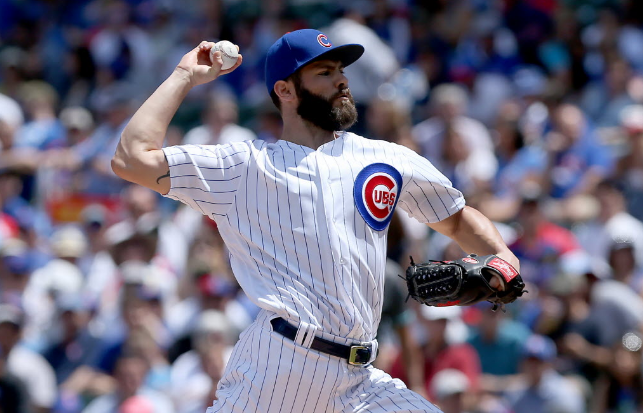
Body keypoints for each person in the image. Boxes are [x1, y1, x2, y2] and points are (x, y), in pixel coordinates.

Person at [111, 28, 519, 413]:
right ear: (285, 90)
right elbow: (131, 159)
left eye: (342, 71)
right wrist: (184, 75)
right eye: (324, 73)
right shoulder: (244, 166)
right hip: (279, 368)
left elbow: (457, 218)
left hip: (360, 378)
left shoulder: (383, 157)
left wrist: (502, 257)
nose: (342, 81)